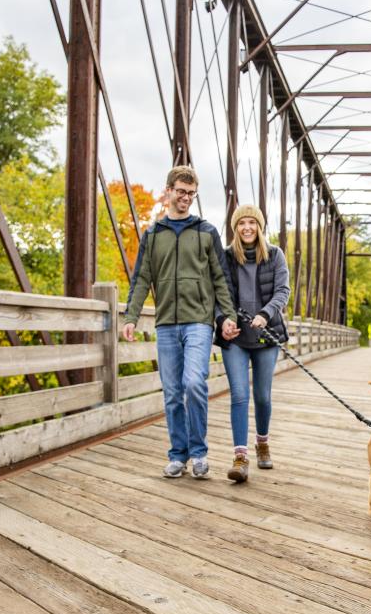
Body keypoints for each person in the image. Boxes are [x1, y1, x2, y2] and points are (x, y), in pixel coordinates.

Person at [121, 166, 239, 479]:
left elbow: (221, 278)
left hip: (198, 321)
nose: (185, 198)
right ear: (168, 192)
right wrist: (131, 317)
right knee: (172, 393)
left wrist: (227, 316)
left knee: (193, 384)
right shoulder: (152, 234)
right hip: (166, 325)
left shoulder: (206, 232)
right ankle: (178, 455)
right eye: (181, 192)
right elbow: (141, 278)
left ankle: (199, 452)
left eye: (191, 194)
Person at [216, 205, 291, 484]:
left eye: (252, 222)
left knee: (262, 396)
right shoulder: (224, 256)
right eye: (241, 223)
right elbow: (218, 293)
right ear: (235, 228)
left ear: (259, 227)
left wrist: (265, 314)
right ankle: (240, 457)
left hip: (265, 333)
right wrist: (223, 318)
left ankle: (262, 442)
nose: (247, 227)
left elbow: (283, 290)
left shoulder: (275, 255)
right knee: (238, 394)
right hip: (235, 336)